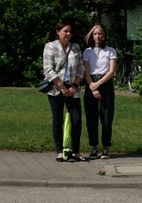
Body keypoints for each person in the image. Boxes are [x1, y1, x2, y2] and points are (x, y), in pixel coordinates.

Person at [43, 21, 86, 162]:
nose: (68, 34)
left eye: (70, 32)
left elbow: (81, 68)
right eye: (65, 31)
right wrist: (62, 87)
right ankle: (60, 150)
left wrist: (74, 85)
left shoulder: (76, 47)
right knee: (58, 120)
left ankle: (75, 150)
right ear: (58, 32)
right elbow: (48, 69)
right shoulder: (50, 46)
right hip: (56, 89)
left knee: (76, 120)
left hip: (73, 89)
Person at [82, 25, 117, 160]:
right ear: (92, 36)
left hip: (105, 84)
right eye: (95, 34)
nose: (98, 36)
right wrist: (92, 86)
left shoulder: (110, 51)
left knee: (106, 118)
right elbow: (86, 70)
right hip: (91, 83)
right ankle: (94, 147)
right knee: (91, 118)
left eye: (100, 34)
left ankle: (106, 147)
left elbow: (111, 71)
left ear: (104, 36)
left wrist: (99, 84)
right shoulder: (87, 52)